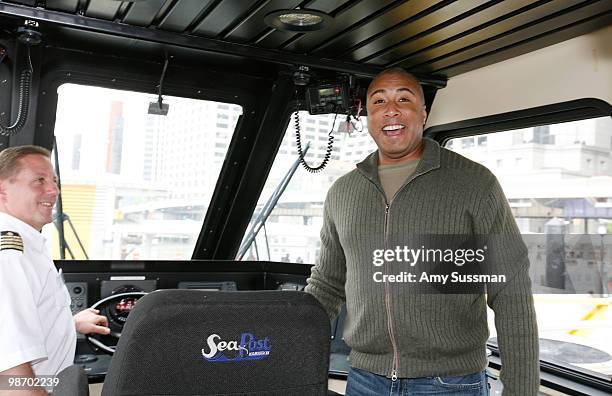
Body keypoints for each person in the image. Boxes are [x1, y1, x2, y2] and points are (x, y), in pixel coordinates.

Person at [305, 68, 538, 395]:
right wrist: (281, 344)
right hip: (364, 380)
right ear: (368, 115)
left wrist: (521, 390)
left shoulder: (475, 184)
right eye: (379, 101)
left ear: (423, 114)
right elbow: (327, 284)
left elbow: (511, 292)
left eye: (404, 99)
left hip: (450, 383)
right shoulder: (342, 192)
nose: (391, 110)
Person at [0, 145, 110, 393]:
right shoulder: (10, 256)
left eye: (54, 181)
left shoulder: (27, 243)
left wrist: (67, 324)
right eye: (39, 181)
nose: (53, 190)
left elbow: (14, 323)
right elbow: (11, 376)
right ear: (2, 190)